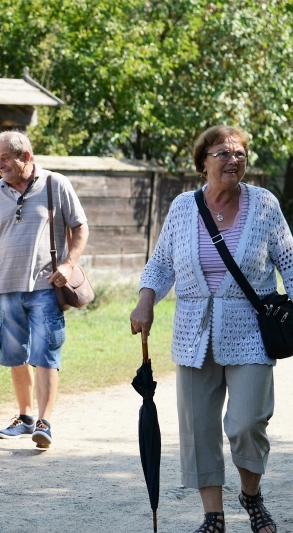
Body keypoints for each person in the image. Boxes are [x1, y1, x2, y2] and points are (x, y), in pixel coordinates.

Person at [130, 125, 290, 533]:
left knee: (248, 422)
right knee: (198, 426)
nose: (233, 160)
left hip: (251, 332)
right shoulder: (184, 207)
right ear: (203, 162)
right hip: (192, 334)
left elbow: (290, 262)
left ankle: (251, 496)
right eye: (222, 153)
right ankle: (212, 516)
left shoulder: (265, 205)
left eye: (239, 153)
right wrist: (146, 299)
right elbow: (161, 262)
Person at [0, 130, 88, 449]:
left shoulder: (55, 185)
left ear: (25, 157)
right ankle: (26, 416)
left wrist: (68, 265)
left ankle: (44, 421)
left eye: (5, 159)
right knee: (14, 354)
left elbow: (80, 227)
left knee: (45, 353)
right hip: (6, 288)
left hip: (46, 285)